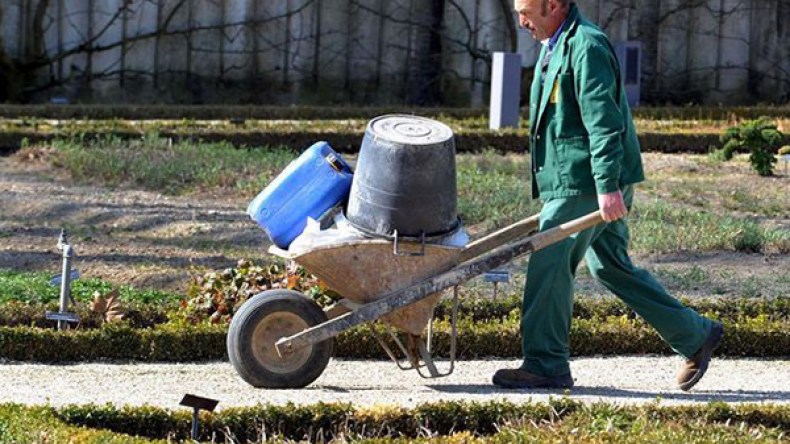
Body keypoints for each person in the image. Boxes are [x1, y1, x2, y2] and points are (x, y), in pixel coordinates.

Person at [494, 0, 724, 390]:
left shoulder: (587, 46)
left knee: (549, 259)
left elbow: (604, 123)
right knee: (610, 266)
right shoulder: (558, 43)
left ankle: (546, 363)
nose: (521, 21)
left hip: (585, 182)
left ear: (553, 4)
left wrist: (606, 187)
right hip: (577, 179)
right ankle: (694, 335)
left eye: (527, 11)